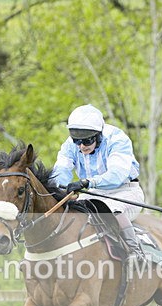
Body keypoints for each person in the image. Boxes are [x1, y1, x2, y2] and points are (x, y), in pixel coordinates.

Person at [48, 104, 149, 265]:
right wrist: (60, 188)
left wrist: (88, 182)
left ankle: (135, 252)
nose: (81, 146)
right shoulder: (70, 145)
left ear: (99, 135)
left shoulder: (117, 139)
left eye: (87, 140)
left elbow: (116, 175)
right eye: (77, 141)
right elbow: (61, 169)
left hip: (124, 191)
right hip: (93, 192)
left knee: (111, 209)